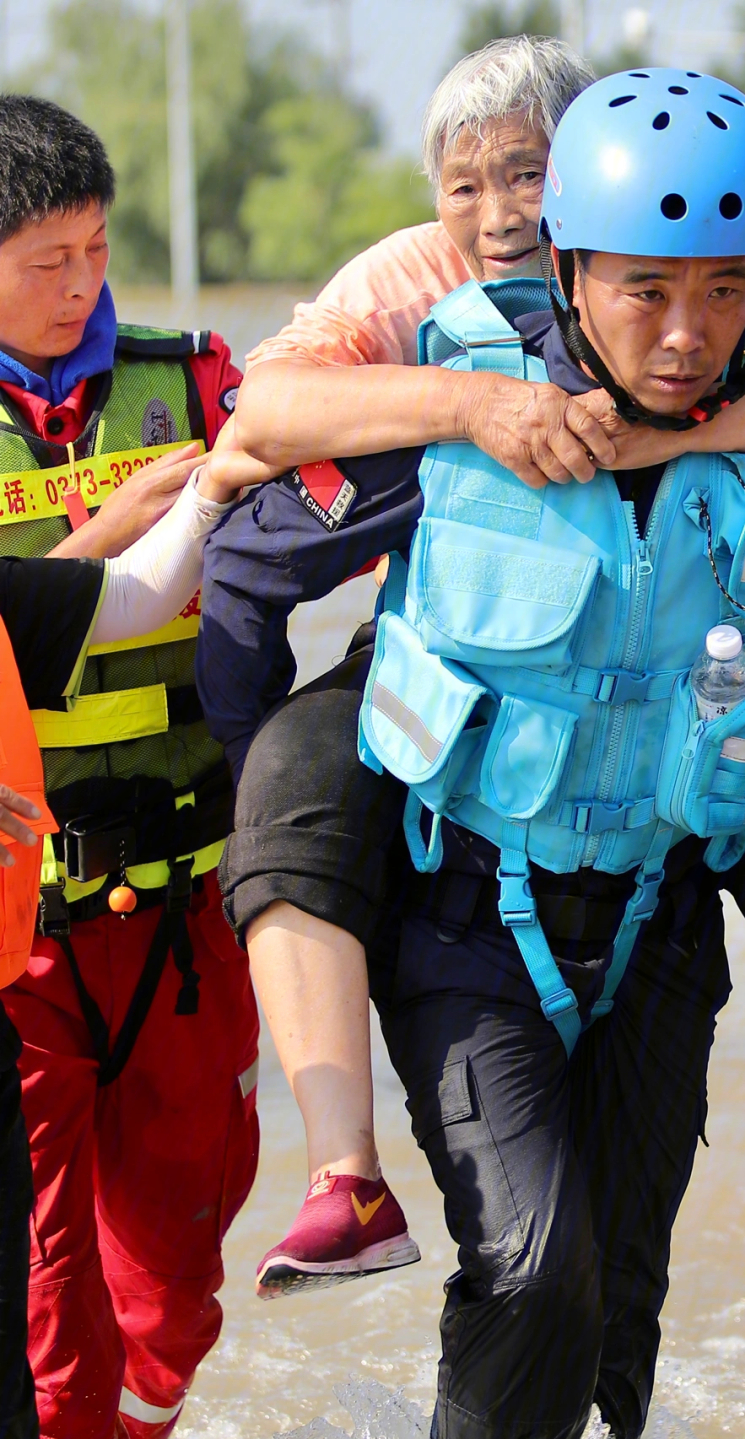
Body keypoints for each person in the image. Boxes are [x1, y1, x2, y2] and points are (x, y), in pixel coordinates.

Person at [200, 67, 745, 1438]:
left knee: (616, 1323)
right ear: (573, 269)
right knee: (534, 1271)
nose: (688, 332)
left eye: (722, 290)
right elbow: (252, 541)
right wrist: (262, 779)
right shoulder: (447, 408)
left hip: (660, 922)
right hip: (474, 913)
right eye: (647, 290)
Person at [0, 96, 264, 1439]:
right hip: (19, 931)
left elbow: (313, 501)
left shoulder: (198, 378)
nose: (80, 285)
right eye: (46, 261)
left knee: (173, 1289)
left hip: (184, 904)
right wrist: (101, 536)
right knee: (47, 1299)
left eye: (96, 251)